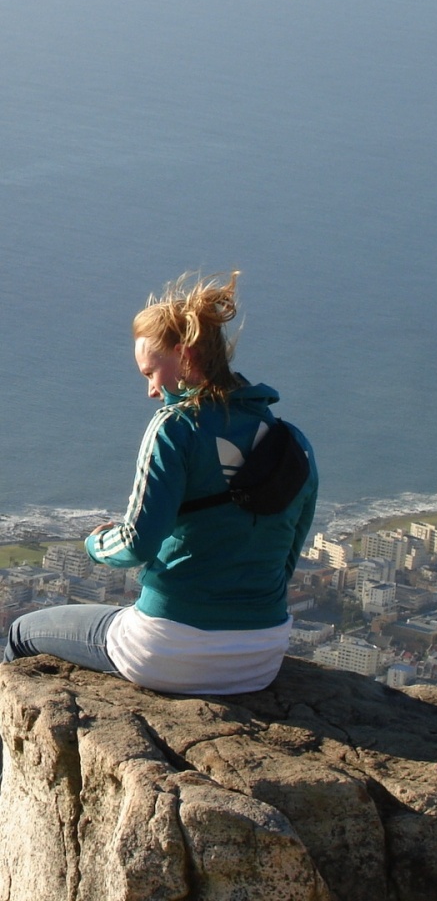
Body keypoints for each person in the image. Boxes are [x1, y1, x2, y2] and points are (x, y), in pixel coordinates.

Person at [4, 271, 318, 694]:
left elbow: (136, 543)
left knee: (22, 633)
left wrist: (95, 545)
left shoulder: (175, 427)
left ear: (185, 355)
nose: (152, 390)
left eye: (151, 372)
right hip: (262, 658)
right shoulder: (292, 441)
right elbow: (288, 557)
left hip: (170, 649)